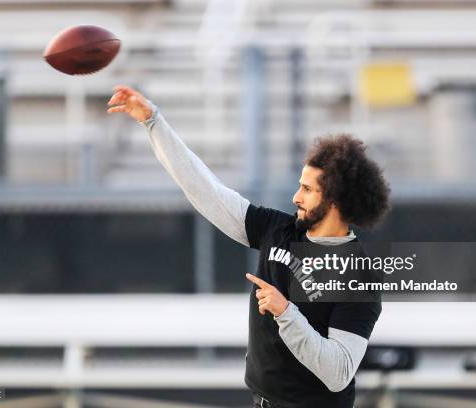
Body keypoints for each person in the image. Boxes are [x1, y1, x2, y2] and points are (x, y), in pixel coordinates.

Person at [107, 85, 390, 408]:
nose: (296, 197)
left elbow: (338, 372)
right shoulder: (277, 229)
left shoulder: (359, 273)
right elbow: (205, 190)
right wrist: (153, 122)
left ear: (335, 201)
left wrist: (286, 313)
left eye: (307, 190)